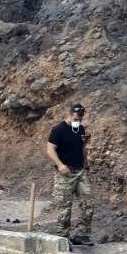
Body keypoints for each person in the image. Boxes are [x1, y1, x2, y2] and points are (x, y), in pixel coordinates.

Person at [46, 103, 94, 246]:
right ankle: (62, 238)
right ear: (70, 113)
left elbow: (83, 147)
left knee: (88, 202)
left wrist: (86, 164)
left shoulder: (80, 129)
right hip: (65, 173)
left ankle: (82, 235)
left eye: (80, 118)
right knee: (64, 207)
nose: (77, 120)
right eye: (75, 117)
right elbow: (50, 149)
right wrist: (60, 165)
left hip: (80, 171)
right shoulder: (58, 130)